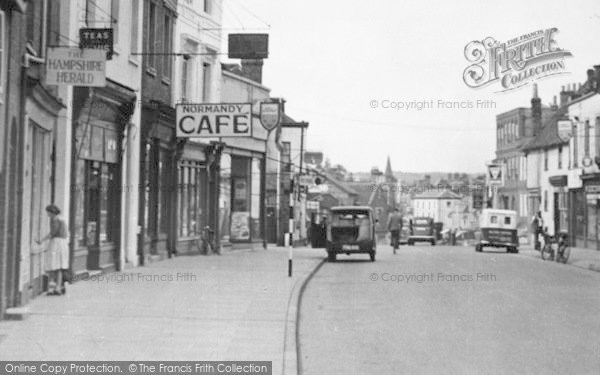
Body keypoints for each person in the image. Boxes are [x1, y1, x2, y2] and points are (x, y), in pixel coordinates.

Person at [37, 204, 69, 295]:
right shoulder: (62, 218)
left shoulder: (54, 219)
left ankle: (51, 289)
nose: (47, 215)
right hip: (63, 243)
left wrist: (41, 240)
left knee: (52, 266)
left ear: (52, 212)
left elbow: (52, 233)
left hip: (56, 243)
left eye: (48, 213)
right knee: (59, 267)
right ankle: (58, 288)